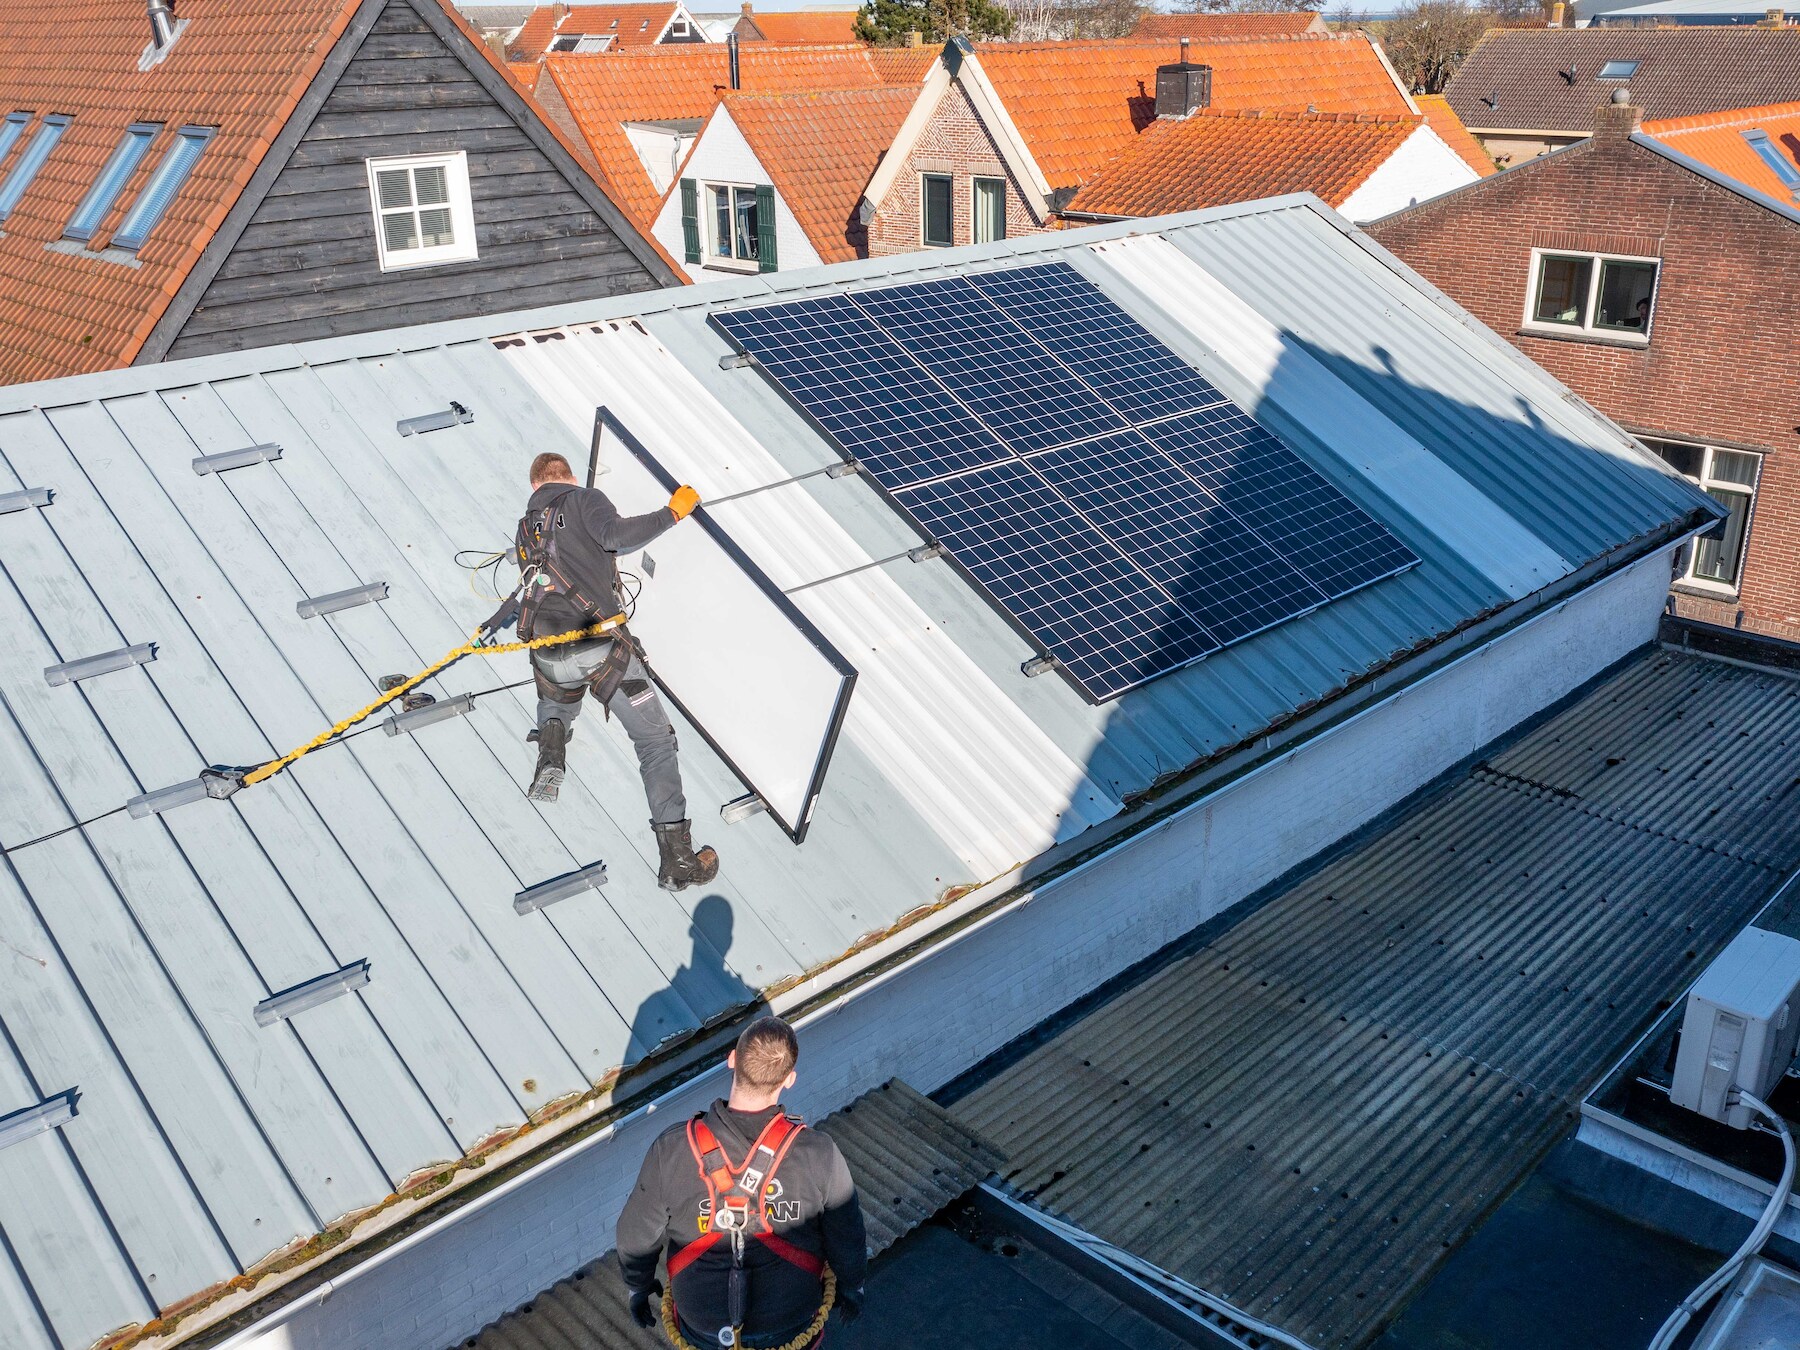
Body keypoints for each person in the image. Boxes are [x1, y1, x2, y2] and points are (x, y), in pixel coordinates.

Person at [496, 451, 718, 892]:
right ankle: (677, 861)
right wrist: (673, 512)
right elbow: (615, 536)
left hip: (547, 655)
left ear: (535, 485)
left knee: (559, 698)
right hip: (600, 649)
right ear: (568, 477)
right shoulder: (583, 499)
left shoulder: (524, 528)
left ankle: (552, 747)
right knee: (655, 742)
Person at [617, 1017, 867, 1349]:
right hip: (787, 1321)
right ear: (789, 1079)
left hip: (702, 1325)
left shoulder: (672, 1149)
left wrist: (638, 1286)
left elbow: (635, 1235)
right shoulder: (818, 1153)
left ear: (732, 1059)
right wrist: (851, 1285)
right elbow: (847, 1233)